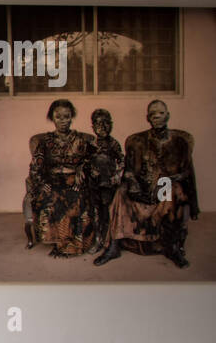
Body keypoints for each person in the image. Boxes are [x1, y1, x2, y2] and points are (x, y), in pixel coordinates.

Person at [94, 100, 198, 269]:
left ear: (168, 115)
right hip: (142, 187)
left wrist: (167, 181)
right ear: (147, 118)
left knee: (173, 192)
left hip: (165, 187)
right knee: (121, 192)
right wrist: (133, 182)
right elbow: (128, 170)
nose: (157, 116)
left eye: (161, 113)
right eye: (152, 114)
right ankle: (113, 246)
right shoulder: (137, 141)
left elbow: (186, 172)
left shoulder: (180, 142)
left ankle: (172, 247)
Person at [22, 99, 95, 256]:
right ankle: (60, 241)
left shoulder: (80, 140)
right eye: (58, 117)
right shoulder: (45, 141)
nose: (63, 121)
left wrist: (82, 169)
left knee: (78, 195)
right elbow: (35, 165)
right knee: (51, 195)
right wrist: (41, 183)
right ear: (52, 118)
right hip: (52, 180)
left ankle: (75, 242)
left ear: (71, 117)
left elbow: (92, 160)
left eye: (66, 116)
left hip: (74, 180)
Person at [86, 108, 124, 254]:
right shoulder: (90, 144)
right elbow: (85, 162)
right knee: (95, 214)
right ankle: (97, 240)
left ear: (112, 124)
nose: (103, 127)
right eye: (98, 124)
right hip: (93, 185)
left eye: (107, 123)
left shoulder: (114, 144)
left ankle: (107, 241)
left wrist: (116, 176)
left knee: (107, 212)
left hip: (108, 185)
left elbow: (121, 162)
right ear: (93, 127)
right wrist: (90, 170)